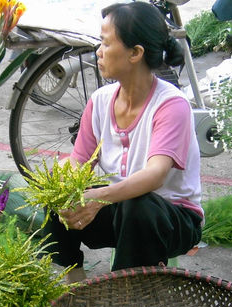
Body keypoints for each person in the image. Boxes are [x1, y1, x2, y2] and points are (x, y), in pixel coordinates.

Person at [44, 1, 203, 283]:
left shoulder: (171, 105)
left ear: (135, 53)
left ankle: (127, 296)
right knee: (57, 194)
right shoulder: (100, 102)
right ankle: (75, 283)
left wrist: (97, 198)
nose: (98, 52)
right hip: (122, 211)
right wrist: (62, 176)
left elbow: (155, 176)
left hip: (170, 220)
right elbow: (80, 163)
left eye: (105, 43)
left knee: (138, 206)